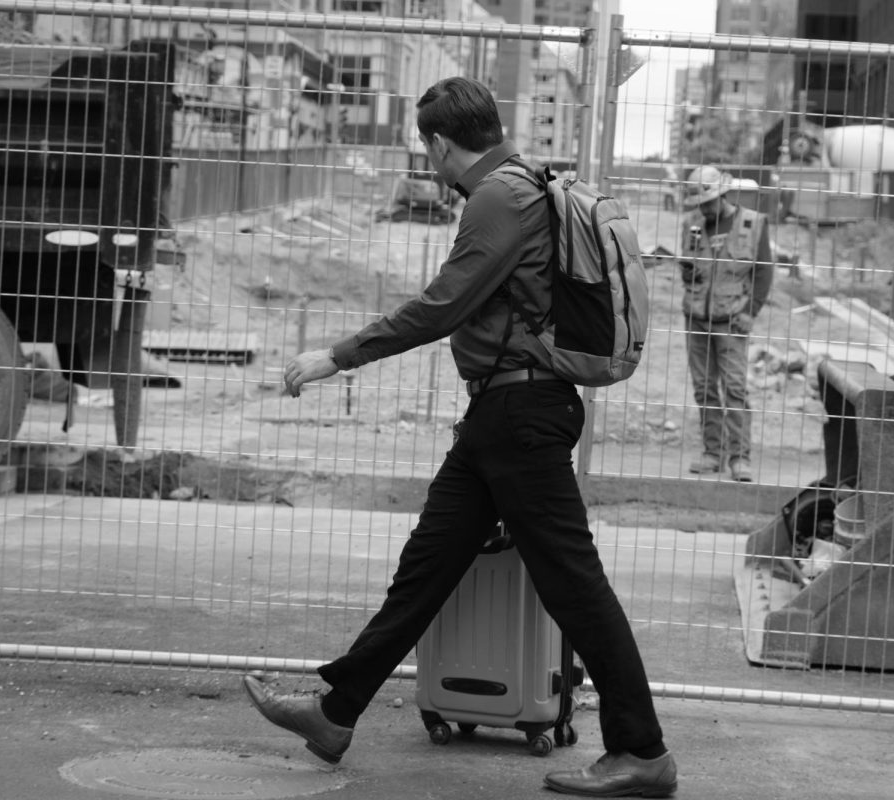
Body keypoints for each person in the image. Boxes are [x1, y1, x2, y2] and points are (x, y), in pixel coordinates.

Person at [242, 77, 677, 798]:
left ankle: (643, 752)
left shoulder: (497, 196)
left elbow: (443, 306)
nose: (432, 168)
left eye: (429, 152)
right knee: (426, 571)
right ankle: (334, 713)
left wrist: (336, 356)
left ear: (441, 143)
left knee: (576, 587)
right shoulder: (521, 181)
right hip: (499, 418)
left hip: (520, 418)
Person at [679, 165, 774, 483]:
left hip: (733, 320)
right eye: (699, 204)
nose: (704, 209)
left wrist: (751, 311)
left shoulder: (752, 224)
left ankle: (740, 458)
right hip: (697, 320)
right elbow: (689, 268)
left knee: (734, 390)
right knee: (705, 389)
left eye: (708, 202)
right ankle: (712, 453)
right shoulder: (691, 225)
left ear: (724, 194)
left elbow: (763, 272)